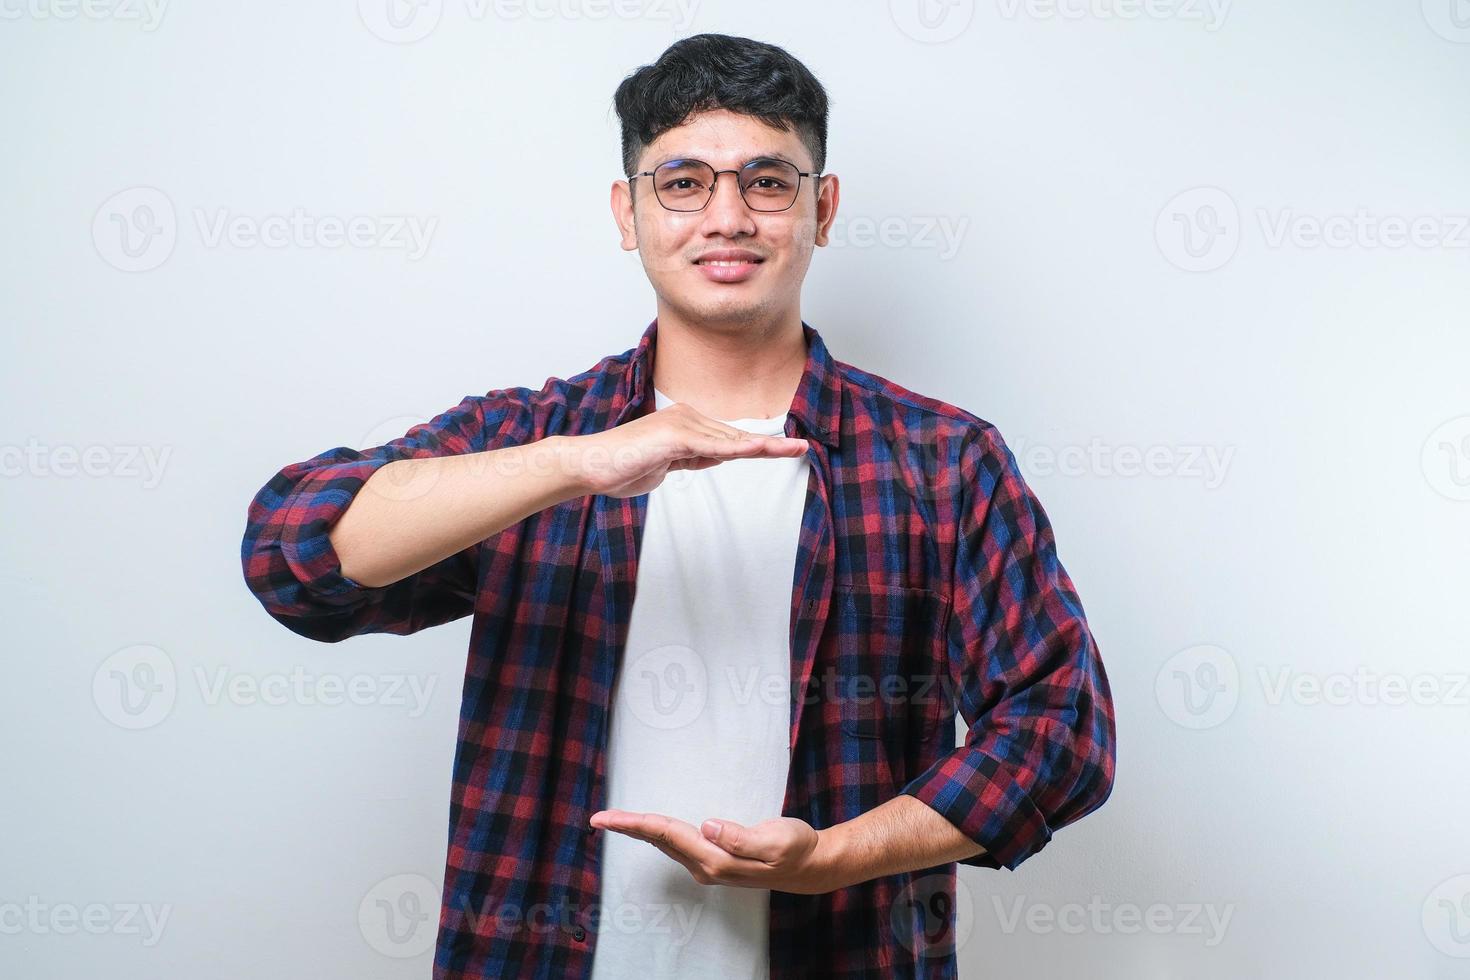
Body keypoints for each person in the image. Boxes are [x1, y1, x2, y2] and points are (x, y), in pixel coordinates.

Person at [240, 32, 1116, 980]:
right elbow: (295, 556)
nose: (727, 217)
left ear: (822, 209)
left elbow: (1060, 727)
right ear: (630, 211)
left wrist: (836, 858)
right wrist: (581, 462)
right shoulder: (539, 439)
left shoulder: (941, 463)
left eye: (768, 182)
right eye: (684, 181)